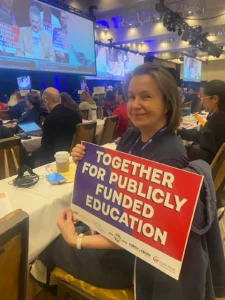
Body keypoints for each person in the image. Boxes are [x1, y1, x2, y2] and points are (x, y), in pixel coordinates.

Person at [179, 80, 225, 164]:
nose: (202, 102)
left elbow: (206, 156)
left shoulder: (216, 123)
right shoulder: (217, 117)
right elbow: (202, 136)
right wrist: (181, 132)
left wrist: (182, 149)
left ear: (215, 99)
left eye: (203, 98)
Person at [33, 87, 81, 164]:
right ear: (59, 99)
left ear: (46, 101)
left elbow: (46, 148)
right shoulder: (76, 114)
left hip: (56, 159)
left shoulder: (50, 119)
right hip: (74, 155)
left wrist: (32, 154)